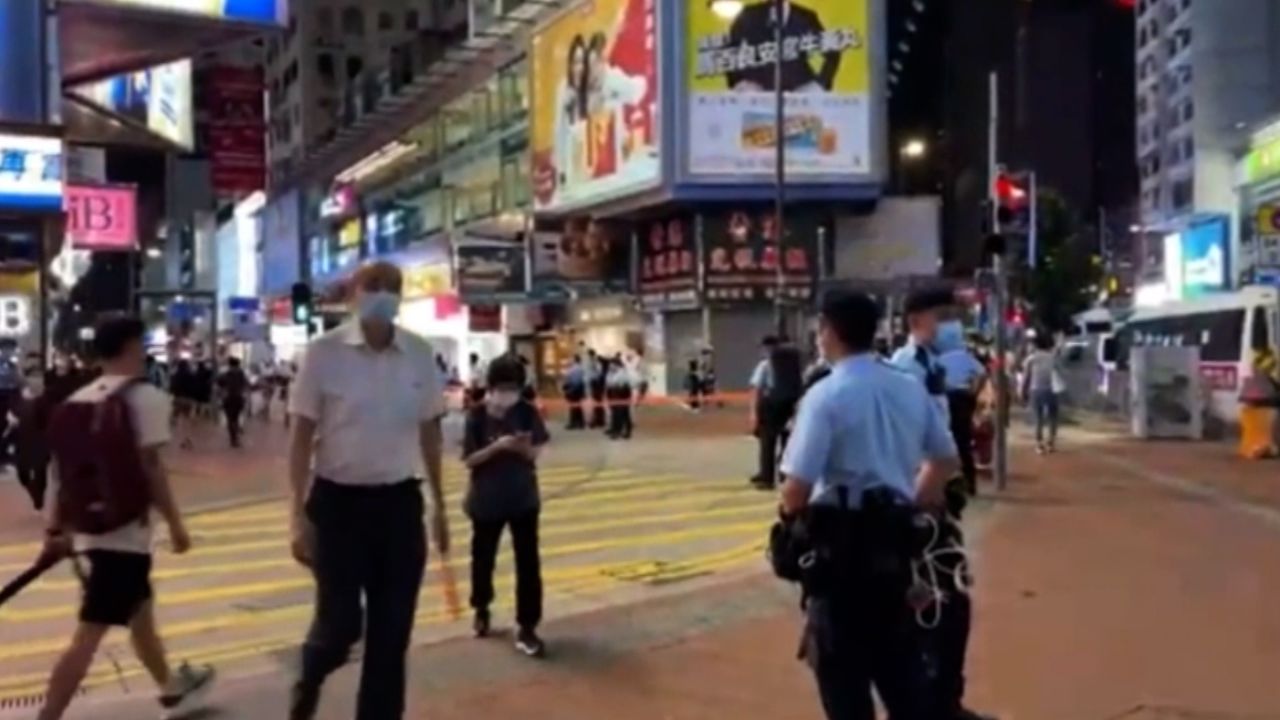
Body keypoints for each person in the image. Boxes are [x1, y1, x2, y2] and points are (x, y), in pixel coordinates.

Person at [779, 291, 956, 720]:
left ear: (830, 332)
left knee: (844, 684)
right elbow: (944, 459)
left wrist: (787, 529)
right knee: (902, 677)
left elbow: (796, 489)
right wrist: (910, 504)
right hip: (894, 551)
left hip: (840, 557)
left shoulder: (825, 395)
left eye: (820, 329)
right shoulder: (908, 387)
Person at [287, 261, 451, 720]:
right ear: (353, 293)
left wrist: (439, 505)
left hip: (399, 506)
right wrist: (296, 516)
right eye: (374, 285)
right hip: (337, 506)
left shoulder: (418, 353)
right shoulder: (324, 353)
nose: (384, 294)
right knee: (340, 626)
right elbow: (300, 438)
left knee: (391, 637)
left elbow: (430, 432)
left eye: (393, 287)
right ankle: (311, 675)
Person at [37, 315, 214, 720]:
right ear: (134, 347)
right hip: (126, 537)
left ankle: (170, 688)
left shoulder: (75, 402)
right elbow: (151, 468)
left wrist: (55, 528)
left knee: (140, 615)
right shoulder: (147, 398)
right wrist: (176, 525)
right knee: (89, 635)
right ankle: (48, 715)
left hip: (88, 533)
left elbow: (60, 474)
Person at [891, 288, 992, 720]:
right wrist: (918, 500)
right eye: (940, 316)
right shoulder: (903, 369)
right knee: (926, 607)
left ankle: (945, 701)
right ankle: (926, 705)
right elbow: (905, 441)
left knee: (952, 602)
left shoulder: (933, 365)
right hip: (916, 501)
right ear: (916, 320)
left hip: (938, 498)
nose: (949, 325)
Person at [461, 355, 550, 657]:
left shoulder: (526, 412)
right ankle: (481, 606)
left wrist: (524, 449)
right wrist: (496, 447)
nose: (508, 394)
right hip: (486, 500)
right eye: (503, 388)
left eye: (513, 388)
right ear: (491, 386)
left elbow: (536, 450)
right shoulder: (476, 416)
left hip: (523, 498)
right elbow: (469, 459)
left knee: (528, 563)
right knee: (483, 558)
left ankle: (527, 625)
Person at [724, 0, 841, 93]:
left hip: (797, 88)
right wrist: (739, 82)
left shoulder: (805, 17)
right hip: (757, 87)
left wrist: (819, 84)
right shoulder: (749, 14)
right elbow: (728, 51)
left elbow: (833, 52)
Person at [750, 336, 804, 490]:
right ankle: (784, 474)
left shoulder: (765, 364)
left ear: (766, 348)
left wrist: (754, 413)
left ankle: (766, 477)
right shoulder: (795, 364)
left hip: (771, 405)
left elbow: (757, 389)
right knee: (787, 441)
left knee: (768, 442)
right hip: (790, 405)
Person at [939, 333, 987, 495]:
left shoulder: (940, 358)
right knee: (963, 440)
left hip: (947, 398)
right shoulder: (967, 358)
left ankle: (947, 483)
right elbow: (982, 373)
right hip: (964, 398)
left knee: (946, 440)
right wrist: (975, 390)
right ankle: (970, 483)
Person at [1021, 333, 1063, 454]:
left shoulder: (1031, 359)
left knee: (1038, 417)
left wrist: (1023, 391)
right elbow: (1059, 353)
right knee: (1053, 417)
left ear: (1036, 345)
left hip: (1036, 390)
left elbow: (1026, 377)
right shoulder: (1052, 357)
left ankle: (1039, 444)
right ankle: (1051, 443)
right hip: (1052, 389)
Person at [1239, 345, 1280, 459]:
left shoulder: (1252, 365)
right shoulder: (1268, 364)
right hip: (1264, 400)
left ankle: (1261, 447)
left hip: (1251, 400)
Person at [217, 358, 250, 449]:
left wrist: (221, 395)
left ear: (229, 365)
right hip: (238, 399)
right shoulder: (242, 375)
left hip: (228, 399)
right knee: (235, 418)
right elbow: (247, 385)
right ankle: (235, 438)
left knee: (230, 419)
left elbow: (219, 384)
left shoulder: (225, 375)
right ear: (238, 365)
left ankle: (233, 438)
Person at [605, 355, 634, 440]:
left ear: (616, 364)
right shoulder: (612, 372)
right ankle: (615, 429)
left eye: (612, 364)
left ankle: (624, 431)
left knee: (623, 413)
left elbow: (617, 383)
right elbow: (608, 382)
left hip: (622, 394)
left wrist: (613, 384)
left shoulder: (622, 372)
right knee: (615, 413)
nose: (610, 366)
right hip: (614, 393)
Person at [561, 355, 587, 430]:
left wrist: (568, 389)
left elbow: (571, 380)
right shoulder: (581, 368)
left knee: (573, 407)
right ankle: (581, 423)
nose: (570, 360)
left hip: (573, 389)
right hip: (579, 389)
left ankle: (573, 423)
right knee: (578, 407)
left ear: (575, 360)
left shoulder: (574, 369)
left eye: (571, 359)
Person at [586, 348, 607, 428]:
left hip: (596, 384)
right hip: (594, 383)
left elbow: (599, 373)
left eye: (589, 354)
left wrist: (596, 381)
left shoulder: (595, 362)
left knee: (597, 403)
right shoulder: (593, 361)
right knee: (596, 403)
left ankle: (598, 420)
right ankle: (598, 420)